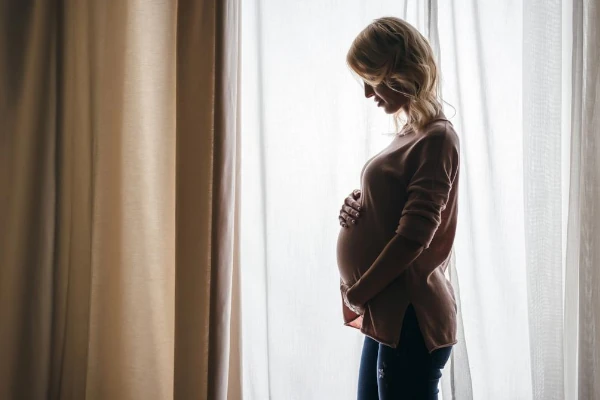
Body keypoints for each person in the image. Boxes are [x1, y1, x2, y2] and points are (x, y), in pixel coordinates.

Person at [336, 17, 460, 400]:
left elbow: (413, 238)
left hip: (412, 316)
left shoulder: (438, 137)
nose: (368, 94)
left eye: (371, 79)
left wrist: (358, 293)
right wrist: (358, 207)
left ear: (398, 73)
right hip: (389, 313)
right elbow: (396, 209)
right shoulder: (411, 133)